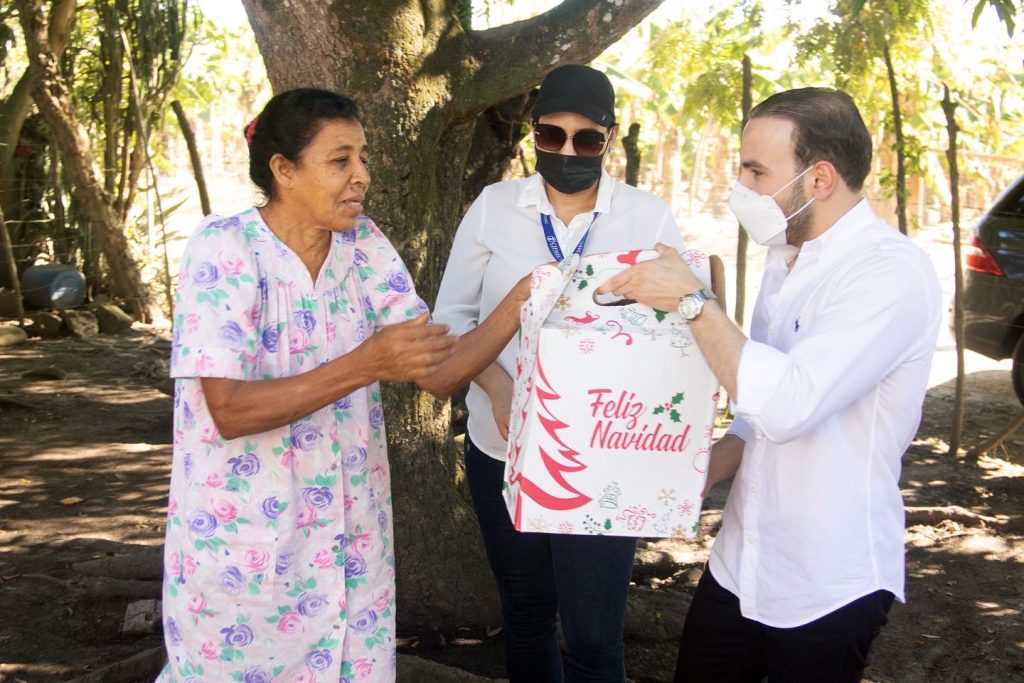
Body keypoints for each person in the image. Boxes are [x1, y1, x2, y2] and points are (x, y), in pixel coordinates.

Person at [158, 88, 529, 683]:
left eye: (363, 158)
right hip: (245, 544)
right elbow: (229, 410)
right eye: (340, 160)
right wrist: (365, 363)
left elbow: (436, 370)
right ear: (283, 170)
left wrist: (524, 299)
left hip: (350, 543)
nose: (362, 176)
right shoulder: (225, 248)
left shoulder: (363, 244)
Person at [598, 87, 943, 682]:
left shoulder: (889, 273)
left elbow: (789, 405)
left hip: (827, 579)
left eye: (756, 172)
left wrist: (692, 301)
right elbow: (756, 408)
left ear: (820, 179)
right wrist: (710, 462)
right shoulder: (787, 259)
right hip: (742, 558)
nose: (740, 187)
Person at [432, 64, 687, 682]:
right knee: (526, 614)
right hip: (502, 448)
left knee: (595, 635)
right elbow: (450, 320)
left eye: (586, 139)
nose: (567, 152)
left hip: (603, 458)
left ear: (609, 138)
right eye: (552, 135)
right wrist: (499, 388)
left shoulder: (647, 217)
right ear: (533, 134)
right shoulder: (494, 208)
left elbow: (678, 327)